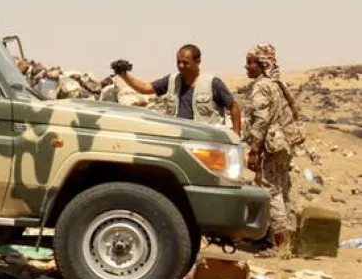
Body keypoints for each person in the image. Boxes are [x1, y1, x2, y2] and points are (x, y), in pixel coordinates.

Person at [242, 42, 303, 251]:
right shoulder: (276, 83)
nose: (246, 67)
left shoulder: (262, 86)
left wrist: (254, 149)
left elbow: (261, 119)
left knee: (270, 191)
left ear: (261, 65)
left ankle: (280, 245)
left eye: (250, 63)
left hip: (271, 146)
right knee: (284, 190)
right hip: (285, 144)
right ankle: (287, 239)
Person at [112, 44, 242, 133]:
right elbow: (145, 88)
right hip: (179, 139)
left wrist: (236, 135)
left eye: (185, 62)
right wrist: (125, 75)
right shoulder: (172, 81)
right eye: (178, 62)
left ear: (197, 62)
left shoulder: (212, 83)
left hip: (205, 142)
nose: (181, 66)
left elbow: (234, 107)